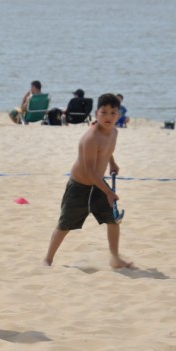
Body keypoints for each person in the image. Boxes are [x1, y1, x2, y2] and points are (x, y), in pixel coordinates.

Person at [43, 93, 132, 270]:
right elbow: (89, 171)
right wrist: (108, 192)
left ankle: (115, 258)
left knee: (113, 220)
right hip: (80, 186)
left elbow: (107, 150)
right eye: (104, 112)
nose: (108, 116)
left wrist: (112, 163)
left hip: (98, 184)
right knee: (65, 224)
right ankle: (47, 259)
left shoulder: (113, 132)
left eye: (113, 113)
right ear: (96, 113)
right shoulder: (91, 137)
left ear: (119, 115)